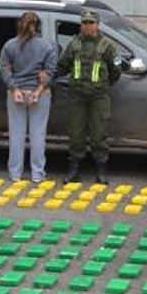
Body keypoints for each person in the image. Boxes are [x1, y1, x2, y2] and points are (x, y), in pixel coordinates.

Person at [57, 9, 121, 184]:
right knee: (76, 134)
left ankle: (101, 170)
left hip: (99, 97)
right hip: (77, 96)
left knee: (99, 133)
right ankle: (74, 169)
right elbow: (62, 66)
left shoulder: (107, 46)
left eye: (91, 23)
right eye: (84, 23)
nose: (87, 26)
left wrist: (102, 85)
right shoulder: (74, 45)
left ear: (97, 25)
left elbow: (116, 72)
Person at [0, 11, 56, 182]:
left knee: (16, 135)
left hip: (16, 94)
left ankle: (15, 173)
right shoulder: (46, 47)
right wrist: (38, 91)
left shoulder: (9, 45)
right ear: (38, 27)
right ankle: (37, 174)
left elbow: (3, 68)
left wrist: (14, 88)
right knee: (37, 135)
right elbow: (51, 71)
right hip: (40, 95)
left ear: (19, 25)